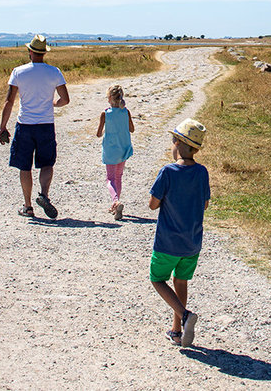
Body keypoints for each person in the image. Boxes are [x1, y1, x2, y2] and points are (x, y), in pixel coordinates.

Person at [148, 118, 210, 347]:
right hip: (192, 243)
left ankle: (184, 316)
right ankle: (177, 332)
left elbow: (153, 204)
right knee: (181, 282)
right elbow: (204, 204)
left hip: (167, 242)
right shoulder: (202, 173)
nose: (172, 144)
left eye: (173, 140)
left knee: (157, 279)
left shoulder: (168, 171)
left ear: (180, 144)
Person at [0, 34, 70, 218]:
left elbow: (9, 101)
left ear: (30, 51)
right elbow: (65, 99)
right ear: (44, 53)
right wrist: (53, 104)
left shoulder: (18, 72)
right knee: (47, 163)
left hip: (25, 124)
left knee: (25, 166)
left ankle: (28, 206)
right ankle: (44, 195)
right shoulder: (54, 72)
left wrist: (3, 127)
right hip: (46, 124)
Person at [96, 85, 134, 220]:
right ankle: (115, 204)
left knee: (110, 178)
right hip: (123, 148)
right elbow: (132, 129)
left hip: (111, 149)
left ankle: (115, 201)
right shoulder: (126, 112)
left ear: (110, 98)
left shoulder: (105, 114)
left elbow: (98, 134)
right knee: (118, 176)